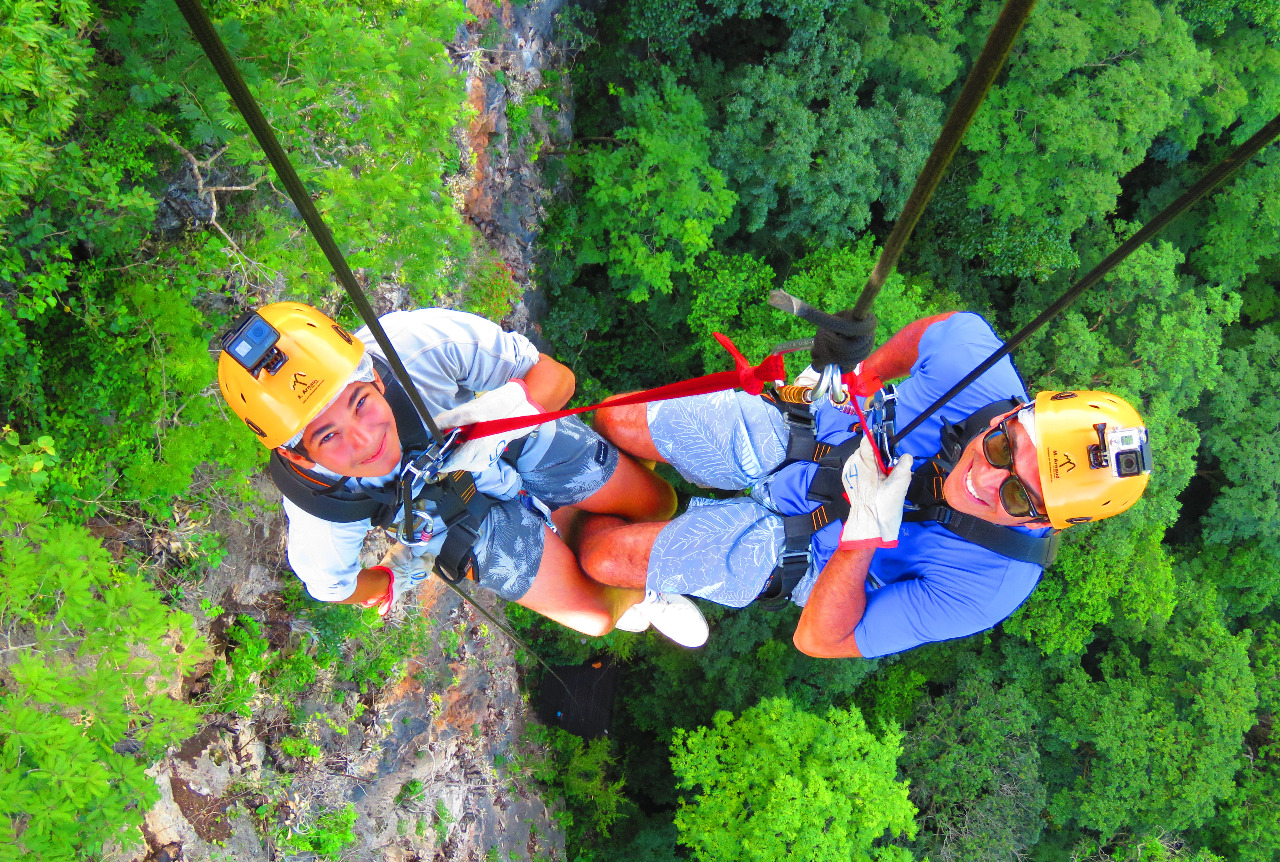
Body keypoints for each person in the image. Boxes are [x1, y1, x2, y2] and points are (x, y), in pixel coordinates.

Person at [576, 310, 1153, 658]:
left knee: (603, 558)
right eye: (1005, 446)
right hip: (807, 432)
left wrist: (863, 534)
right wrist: (860, 373)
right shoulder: (975, 364)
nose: (984, 475)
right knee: (614, 421)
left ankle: (643, 589)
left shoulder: (988, 587)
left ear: (1047, 523)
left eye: (1019, 496)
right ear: (1015, 412)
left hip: (804, 551)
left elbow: (820, 640)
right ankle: (651, 505)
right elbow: (935, 333)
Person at [216, 301, 709, 646]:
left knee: (657, 504)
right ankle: (642, 596)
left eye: (362, 402)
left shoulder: (414, 347)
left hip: (506, 436)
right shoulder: (322, 507)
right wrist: (392, 578)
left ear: (370, 373)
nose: (364, 441)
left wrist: (497, 419)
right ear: (298, 456)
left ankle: (607, 538)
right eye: (327, 437)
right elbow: (333, 585)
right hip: (453, 514)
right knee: (597, 617)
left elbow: (556, 379)